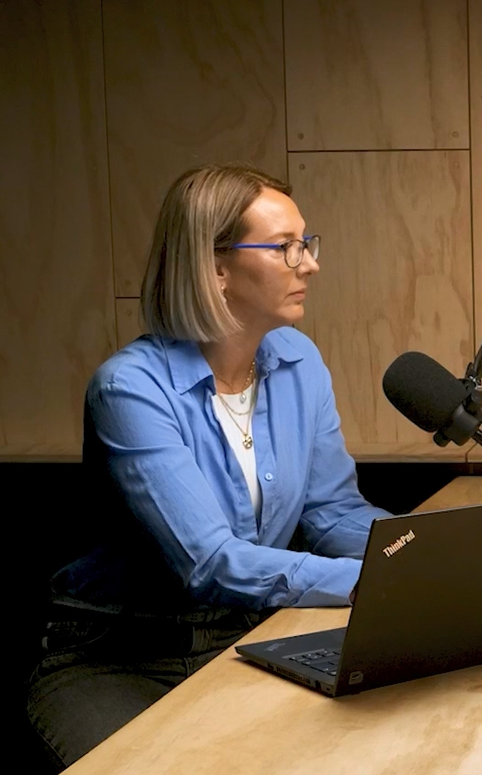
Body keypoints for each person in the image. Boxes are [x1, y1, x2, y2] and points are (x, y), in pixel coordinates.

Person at [26, 165, 388, 770]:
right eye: (286, 247)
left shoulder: (298, 360)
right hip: (119, 660)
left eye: (306, 242)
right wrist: (368, 582)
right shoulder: (128, 390)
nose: (310, 264)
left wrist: (413, 551)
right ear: (215, 268)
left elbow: (333, 512)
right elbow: (210, 562)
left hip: (247, 638)